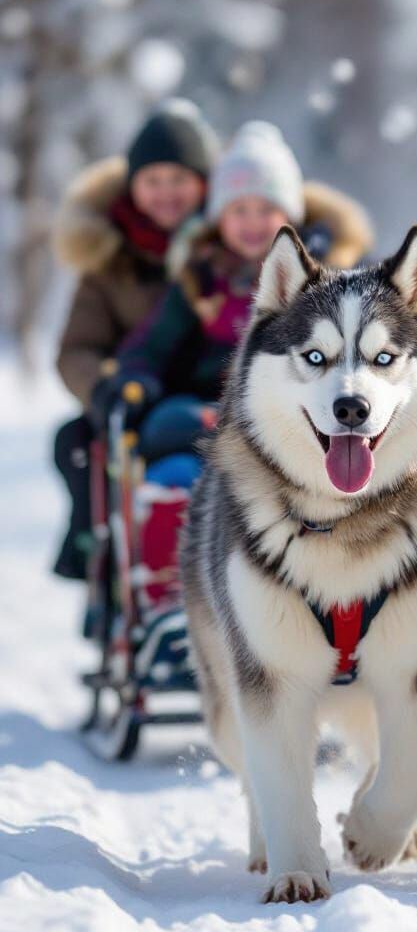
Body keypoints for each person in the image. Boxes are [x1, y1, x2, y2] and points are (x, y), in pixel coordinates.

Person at [96, 121, 374, 613]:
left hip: (300, 420)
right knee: (173, 452)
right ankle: (172, 601)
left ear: (289, 214)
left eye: (266, 209)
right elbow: (151, 345)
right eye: (238, 209)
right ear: (218, 217)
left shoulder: (327, 279)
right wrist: (134, 377)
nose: (251, 221)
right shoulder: (199, 280)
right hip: (208, 414)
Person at [52, 99, 219, 579]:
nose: (166, 193)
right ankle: (103, 562)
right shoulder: (111, 259)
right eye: (153, 181)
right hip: (136, 394)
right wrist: (103, 386)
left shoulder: (231, 244)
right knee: (78, 443)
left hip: (215, 393)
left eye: (179, 180)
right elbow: (76, 348)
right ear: (133, 187)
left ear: (204, 183)